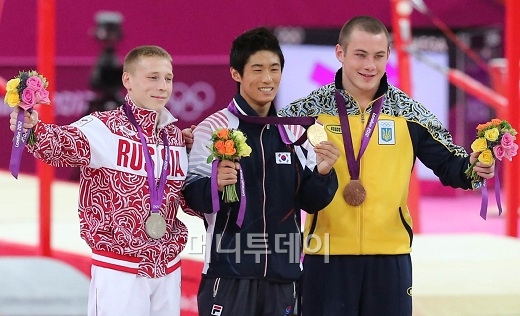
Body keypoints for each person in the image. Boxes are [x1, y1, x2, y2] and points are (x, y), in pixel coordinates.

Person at [277, 16, 496, 316]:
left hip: (390, 257)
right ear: (340, 53)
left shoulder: (410, 112)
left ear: (388, 56)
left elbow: (449, 162)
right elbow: (269, 158)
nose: (370, 65)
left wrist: (473, 168)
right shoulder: (307, 111)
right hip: (325, 255)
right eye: (361, 55)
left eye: (379, 56)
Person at [9, 45, 196, 316]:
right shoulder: (104, 127)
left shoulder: (176, 138)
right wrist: (32, 129)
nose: (163, 86)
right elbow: (61, 145)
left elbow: (187, 199)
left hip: (168, 268)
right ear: (127, 81)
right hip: (119, 269)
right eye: (153, 77)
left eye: (168, 78)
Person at [182, 27, 340, 315]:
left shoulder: (294, 131)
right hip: (228, 272)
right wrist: (214, 186)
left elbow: (311, 200)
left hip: (284, 274)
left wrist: (324, 173)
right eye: (257, 69)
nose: (268, 79)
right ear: (236, 74)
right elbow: (190, 196)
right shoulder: (213, 128)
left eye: (274, 69)